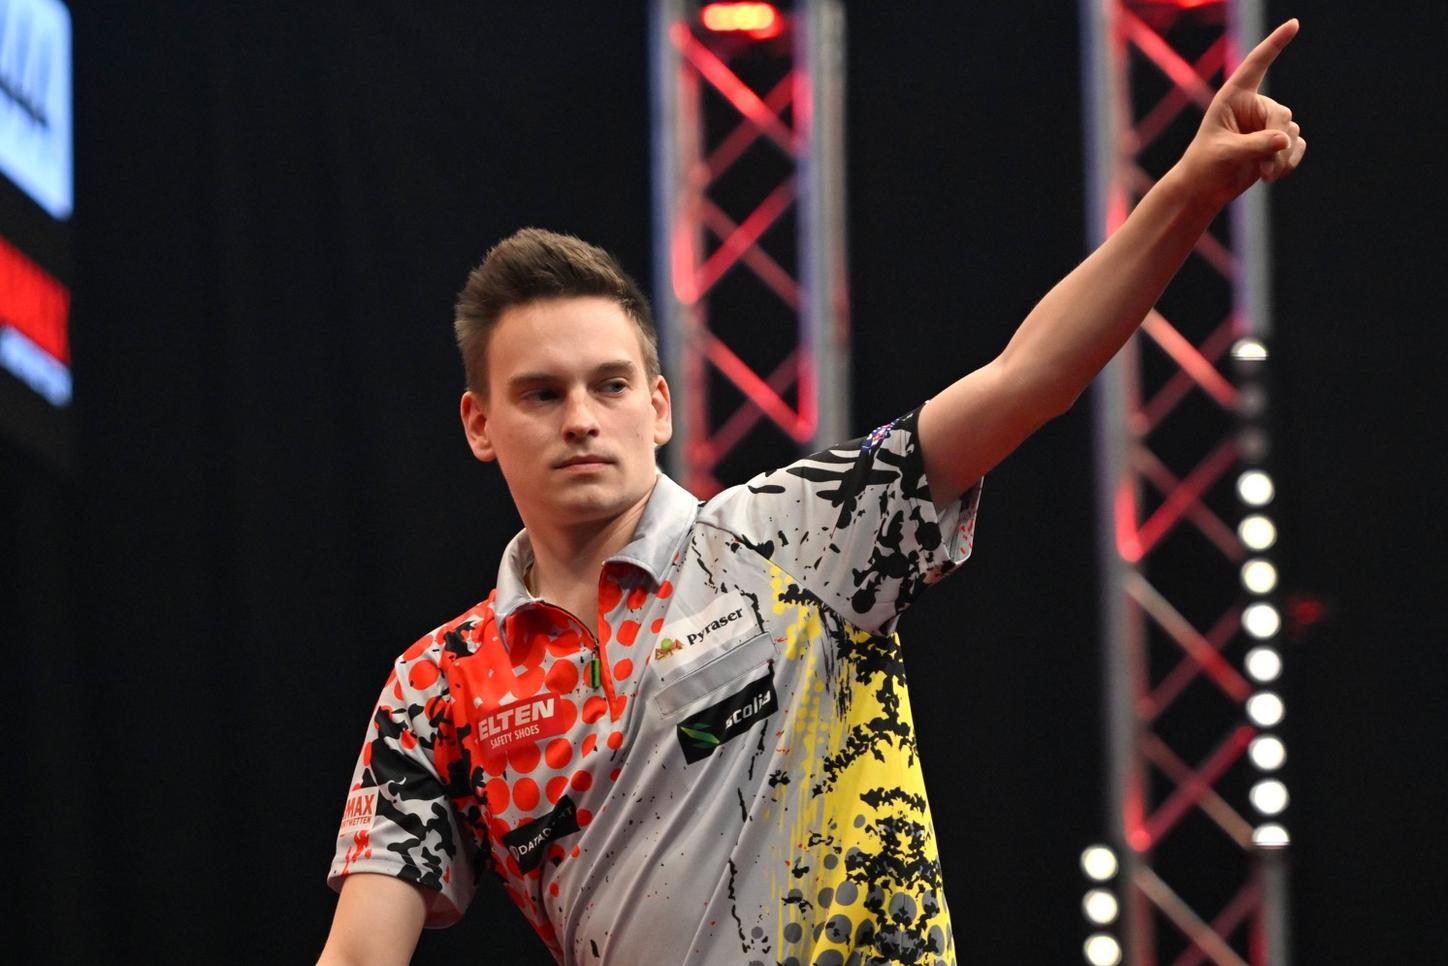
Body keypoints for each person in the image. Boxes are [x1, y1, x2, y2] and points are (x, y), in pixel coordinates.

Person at [318, 20, 1305, 965]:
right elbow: (361, 948)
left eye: (608, 386)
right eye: (541, 394)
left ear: (657, 406)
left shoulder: (797, 532)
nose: (580, 418)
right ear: (478, 424)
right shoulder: (439, 688)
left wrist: (1187, 189)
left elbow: (1026, 379)